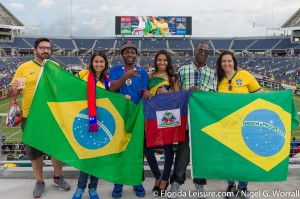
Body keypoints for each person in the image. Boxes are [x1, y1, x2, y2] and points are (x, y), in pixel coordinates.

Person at [9, 38, 71, 198]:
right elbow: (13, 92)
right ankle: (39, 181)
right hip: (31, 117)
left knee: (56, 149)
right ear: (35, 49)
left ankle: (58, 177)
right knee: (35, 152)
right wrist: (14, 90)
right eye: (42, 48)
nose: (46, 50)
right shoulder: (24, 68)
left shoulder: (55, 66)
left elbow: (63, 88)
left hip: (52, 114)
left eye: (48, 48)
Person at [168, 42, 216, 199]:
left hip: (203, 121)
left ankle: (200, 185)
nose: (203, 53)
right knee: (182, 154)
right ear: (194, 51)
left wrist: (201, 93)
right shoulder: (183, 70)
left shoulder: (212, 73)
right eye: (200, 50)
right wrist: (188, 92)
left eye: (206, 51)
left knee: (201, 155)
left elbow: (214, 97)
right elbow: (177, 94)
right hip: (187, 120)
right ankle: (175, 184)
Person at [216, 50, 264, 199]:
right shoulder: (217, 79)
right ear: (220, 63)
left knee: (244, 157)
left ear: (234, 62)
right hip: (226, 125)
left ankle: (243, 187)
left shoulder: (245, 75)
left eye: (229, 61)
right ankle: (231, 185)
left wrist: (279, 97)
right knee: (228, 157)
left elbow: (259, 93)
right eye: (224, 61)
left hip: (245, 125)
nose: (227, 63)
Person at [109, 41, 151, 198]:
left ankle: (136, 181)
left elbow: (143, 91)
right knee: (119, 150)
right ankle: (118, 182)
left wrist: (146, 94)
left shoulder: (143, 72)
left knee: (136, 151)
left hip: (136, 118)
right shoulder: (115, 71)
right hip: (119, 117)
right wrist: (126, 75)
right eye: (126, 52)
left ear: (136, 55)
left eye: (132, 52)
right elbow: (112, 88)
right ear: (122, 55)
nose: (130, 55)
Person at [72, 51, 109, 199]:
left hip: (101, 122)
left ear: (105, 64)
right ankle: (80, 188)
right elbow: (70, 86)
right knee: (86, 157)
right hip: (84, 120)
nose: (99, 64)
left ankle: (93, 188)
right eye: (96, 62)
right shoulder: (83, 75)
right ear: (92, 63)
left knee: (96, 157)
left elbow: (111, 98)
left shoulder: (107, 80)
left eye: (102, 62)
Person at [144, 50, 179, 196]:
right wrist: (147, 93)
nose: (162, 63)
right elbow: (145, 92)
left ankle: (165, 179)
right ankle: (157, 176)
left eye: (165, 60)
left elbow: (178, 97)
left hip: (166, 116)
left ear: (168, 61)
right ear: (155, 61)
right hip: (151, 116)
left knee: (168, 148)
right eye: (159, 60)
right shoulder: (150, 75)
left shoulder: (172, 78)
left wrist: (168, 94)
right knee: (147, 147)